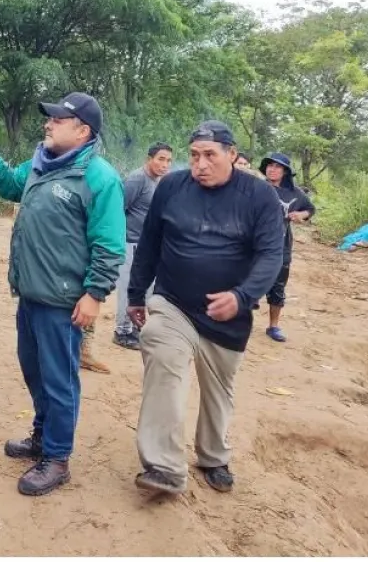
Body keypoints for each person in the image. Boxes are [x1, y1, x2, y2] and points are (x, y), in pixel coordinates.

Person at [0, 92, 126, 496]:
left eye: (57, 119)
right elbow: (12, 186)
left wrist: (94, 295)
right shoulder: (40, 163)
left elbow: (109, 245)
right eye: (49, 118)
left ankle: (56, 458)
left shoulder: (99, 177)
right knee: (34, 371)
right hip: (31, 294)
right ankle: (41, 436)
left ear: (82, 130)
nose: (48, 124)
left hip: (64, 302)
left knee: (60, 381)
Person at [127, 120, 284, 496]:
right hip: (173, 303)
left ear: (232, 155)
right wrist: (136, 293)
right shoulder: (171, 187)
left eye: (210, 155)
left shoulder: (259, 196)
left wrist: (242, 296)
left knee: (218, 392)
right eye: (194, 155)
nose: (200, 164)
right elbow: (149, 243)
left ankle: (213, 456)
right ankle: (164, 467)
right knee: (162, 358)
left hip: (227, 314)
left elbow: (270, 255)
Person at [112, 142, 173, 351]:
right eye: (161, 159)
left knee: (144, 288)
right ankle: (121, 331)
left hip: (145, 244)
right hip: (129, 242)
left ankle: (135, 327)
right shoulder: (137, 179)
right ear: (149, 159)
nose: (164, 165)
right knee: (127, 287)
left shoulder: (158, 181)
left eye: (168, 161)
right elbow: (118, 208)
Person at [258, 152, 315, 342]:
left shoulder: (294, 193)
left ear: (285, 172)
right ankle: (237, 321)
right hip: (253, 244)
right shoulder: (257, 188)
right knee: (243, 279)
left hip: (281, 245)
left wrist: (301, 215)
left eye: (277, 167)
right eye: (269, 165)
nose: (272, 169)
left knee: (278, 285)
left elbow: (310, 209)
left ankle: (273, 326)